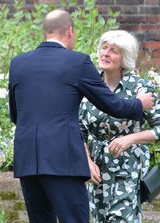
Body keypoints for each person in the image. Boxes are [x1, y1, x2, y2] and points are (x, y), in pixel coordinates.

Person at [8, 9, 155, 223]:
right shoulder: (77, 62)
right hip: (63, 161)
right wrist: (139, 104)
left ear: (45, 32)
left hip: (28, 160)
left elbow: (15, 114)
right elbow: (112, 104)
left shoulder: (18, 63)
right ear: (70, 31)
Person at [79, 30, 160, 223]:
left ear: (125, 58)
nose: (105, 53)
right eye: (104, 48)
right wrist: (86, 161)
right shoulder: (89, 87)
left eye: (113, 51)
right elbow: (78, 130)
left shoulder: (140, 89)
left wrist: (130, 139)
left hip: (127, 169)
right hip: (97, 172)